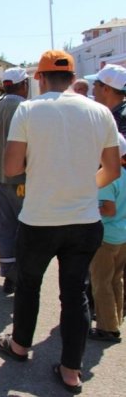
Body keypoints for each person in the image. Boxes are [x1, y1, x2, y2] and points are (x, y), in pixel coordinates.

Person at [0, 50, 121, 394]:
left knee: (29, 285)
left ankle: (19, 346)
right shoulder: (99, 112)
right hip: (84, 220)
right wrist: (80, 184)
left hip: (40, 219)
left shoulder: (29, 110)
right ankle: (71, 371)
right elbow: (112, 169)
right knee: (75, 293)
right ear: (73, 75)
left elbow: (10, 167)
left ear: (39, 77)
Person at [0, 68, 29, 294]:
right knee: (26, 228)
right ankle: (24, 273)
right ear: (24, 85)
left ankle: (9, 275)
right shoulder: (28, 109)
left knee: (4, 227)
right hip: (23, 180)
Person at [89, 135, 126, 343]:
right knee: (116, 279)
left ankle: (107, 328)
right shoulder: (124, 174)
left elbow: (108, 209)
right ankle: (116, 319)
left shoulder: (105, 178)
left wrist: (88, 208)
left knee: (101, 281)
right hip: (122, 235)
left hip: (106, 236)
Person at [87, 64, 126, 137]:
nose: (92, 90)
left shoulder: (122, 117)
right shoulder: (112, 114)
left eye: (95, 85)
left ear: (106, 89)